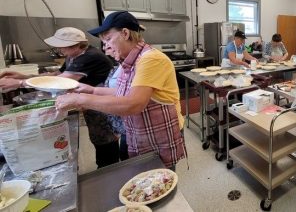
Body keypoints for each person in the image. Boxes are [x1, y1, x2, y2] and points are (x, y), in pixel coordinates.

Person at [55, 12, 186, 169]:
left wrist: (80, 100)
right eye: (103, 42)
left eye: (108, 39)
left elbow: (134, 104)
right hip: (139, 132)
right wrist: (91, 91)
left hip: (159, 134)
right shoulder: (131, 60)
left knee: (158, 184)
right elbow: (123, 90)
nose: (105, 47)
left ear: (125, 33)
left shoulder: (150, 59)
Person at [0, 27, 118, 168]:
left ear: (75, 45)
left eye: (62, 47)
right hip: (90, 101)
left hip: (102, 103)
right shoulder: (74, 55)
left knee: (105, 139)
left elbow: (60, 82)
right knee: (98, 138)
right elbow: (56, 75)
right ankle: (105, 167)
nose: (59, 50)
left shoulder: (90, 56)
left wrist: (20, 83)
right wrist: (25, 77)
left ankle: (109, 169)